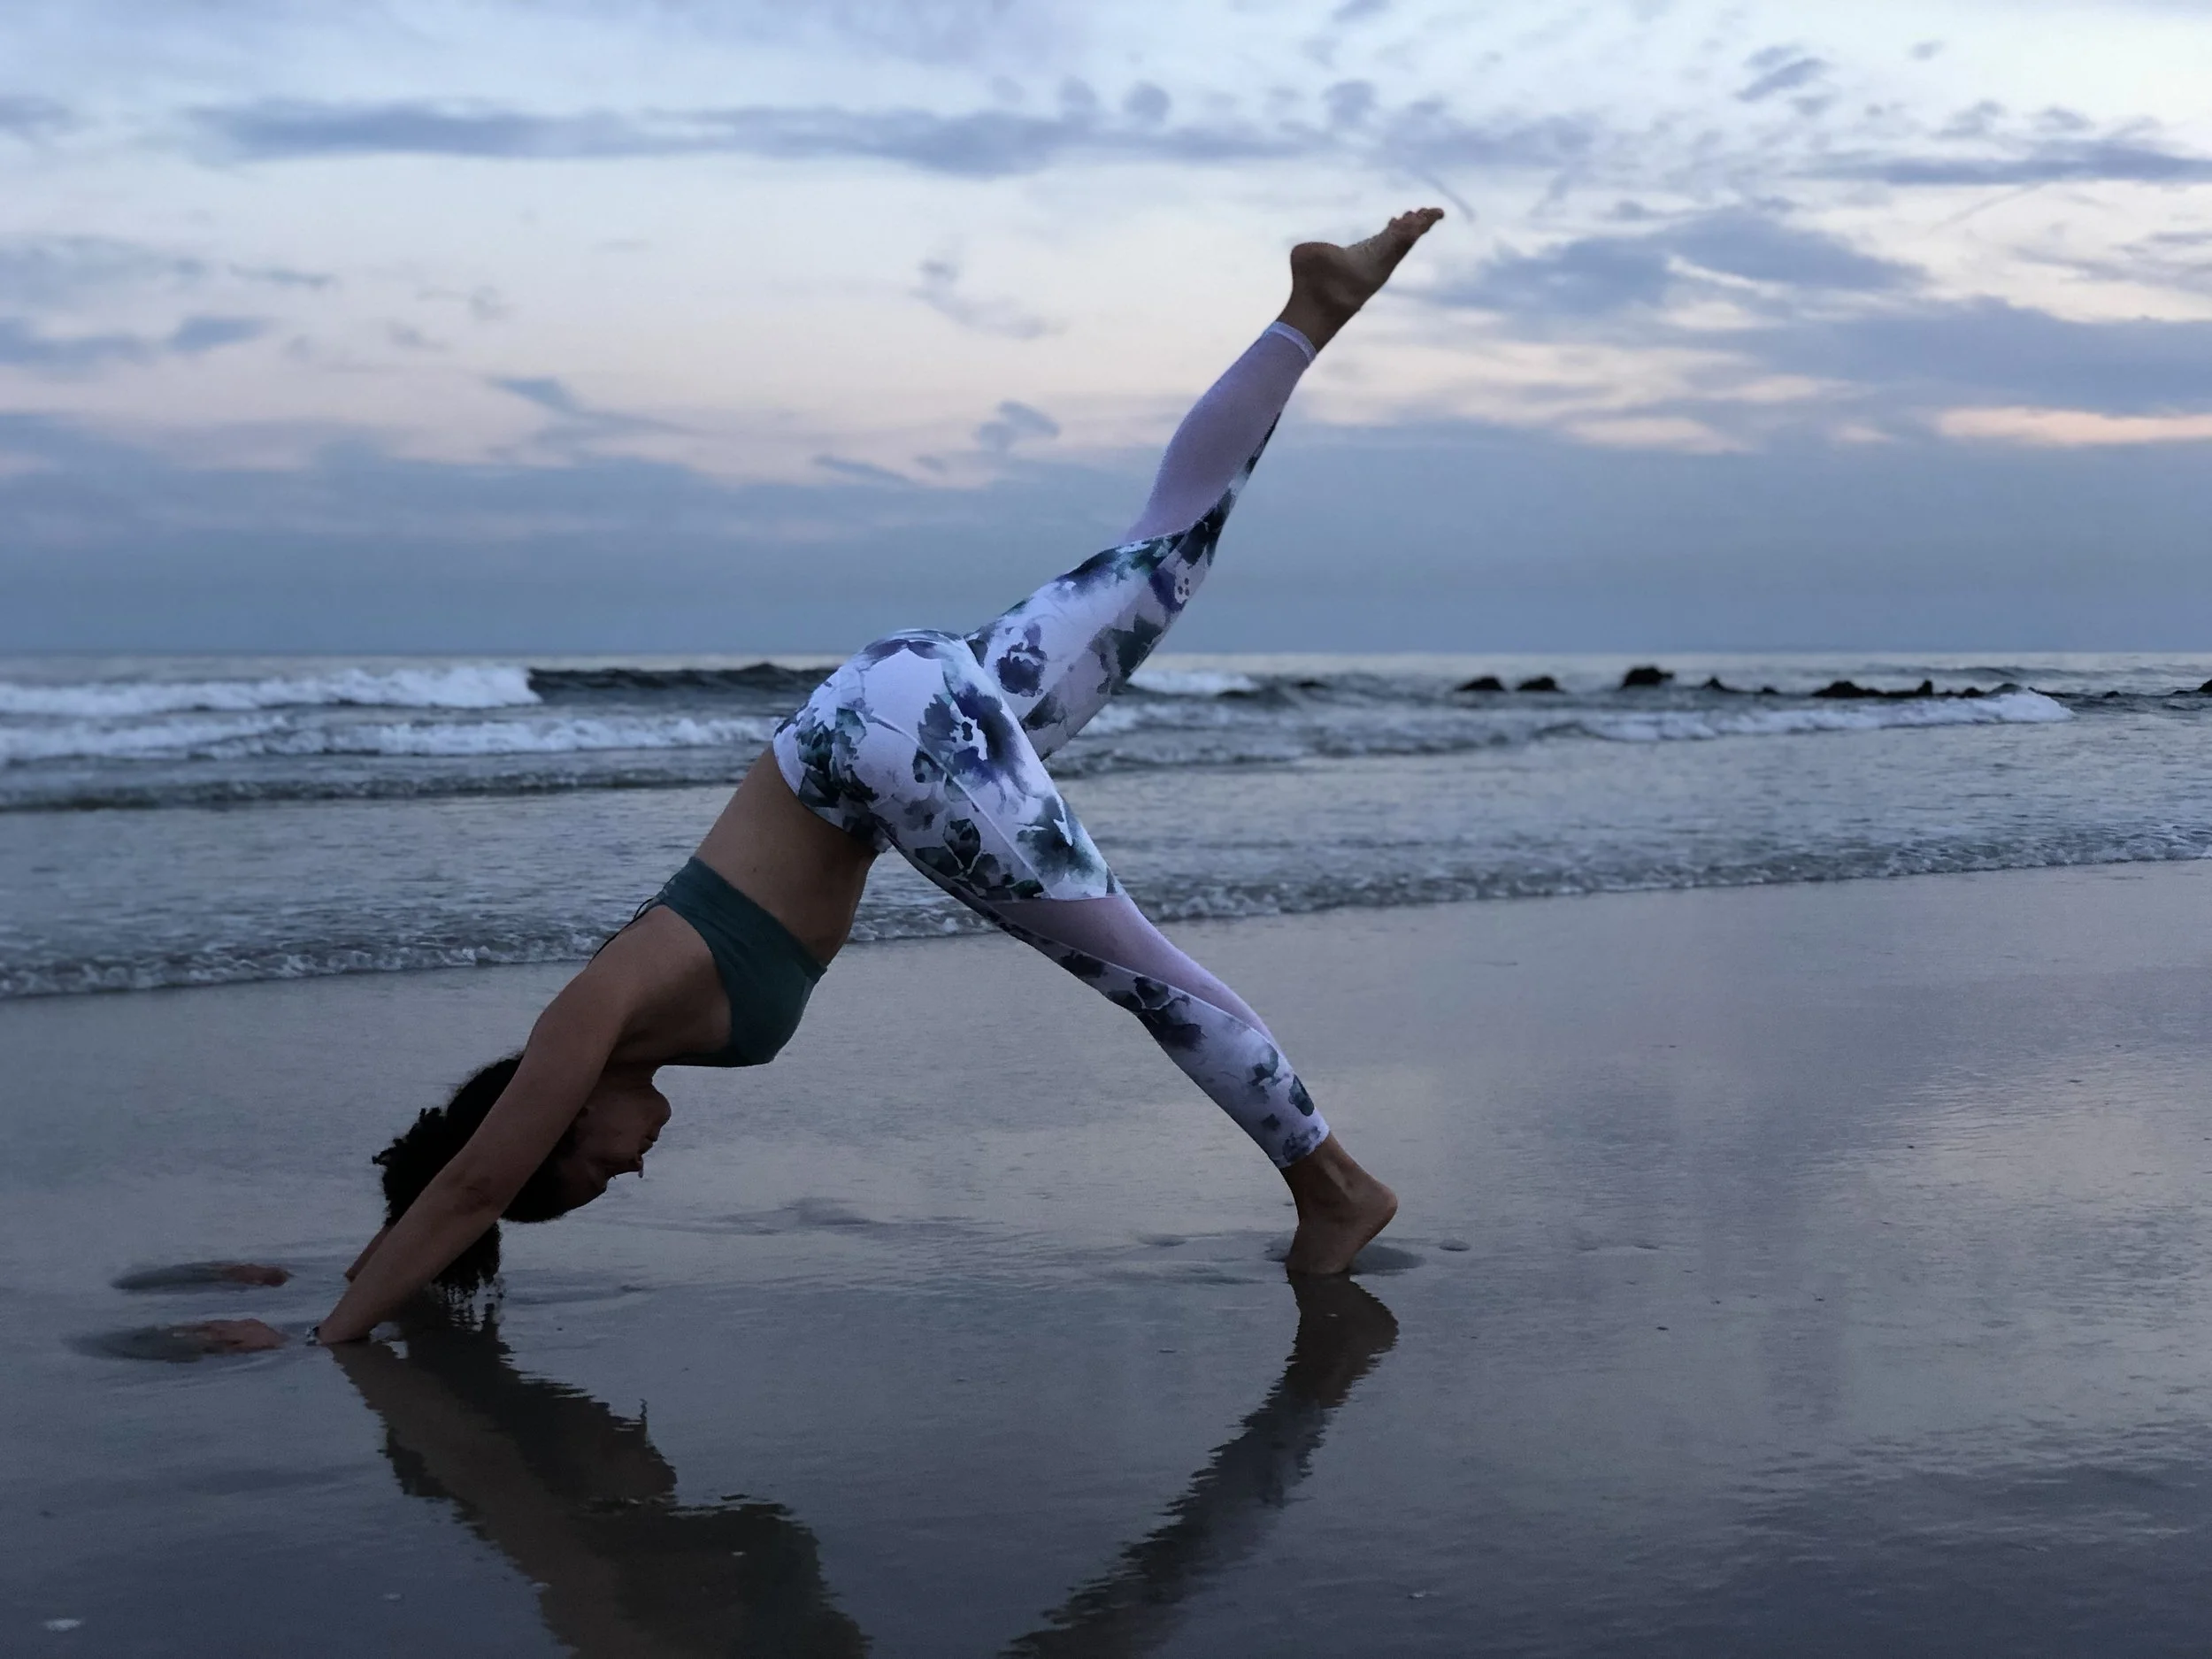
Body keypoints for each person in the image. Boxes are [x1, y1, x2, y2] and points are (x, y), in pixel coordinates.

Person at [316, 208, 1444, 1347]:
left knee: (1146, 977)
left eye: (588, 1177)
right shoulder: (632, 1017)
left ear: (552, 1126)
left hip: (887, 750)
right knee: (1166, 549)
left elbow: (468, 1190)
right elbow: (453, 1193)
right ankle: (1315, 309)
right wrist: (354, 1264)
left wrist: (333, 1332)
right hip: (884, 715)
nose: (624, 1173)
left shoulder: (586, 1019)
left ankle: (1334, 1188)